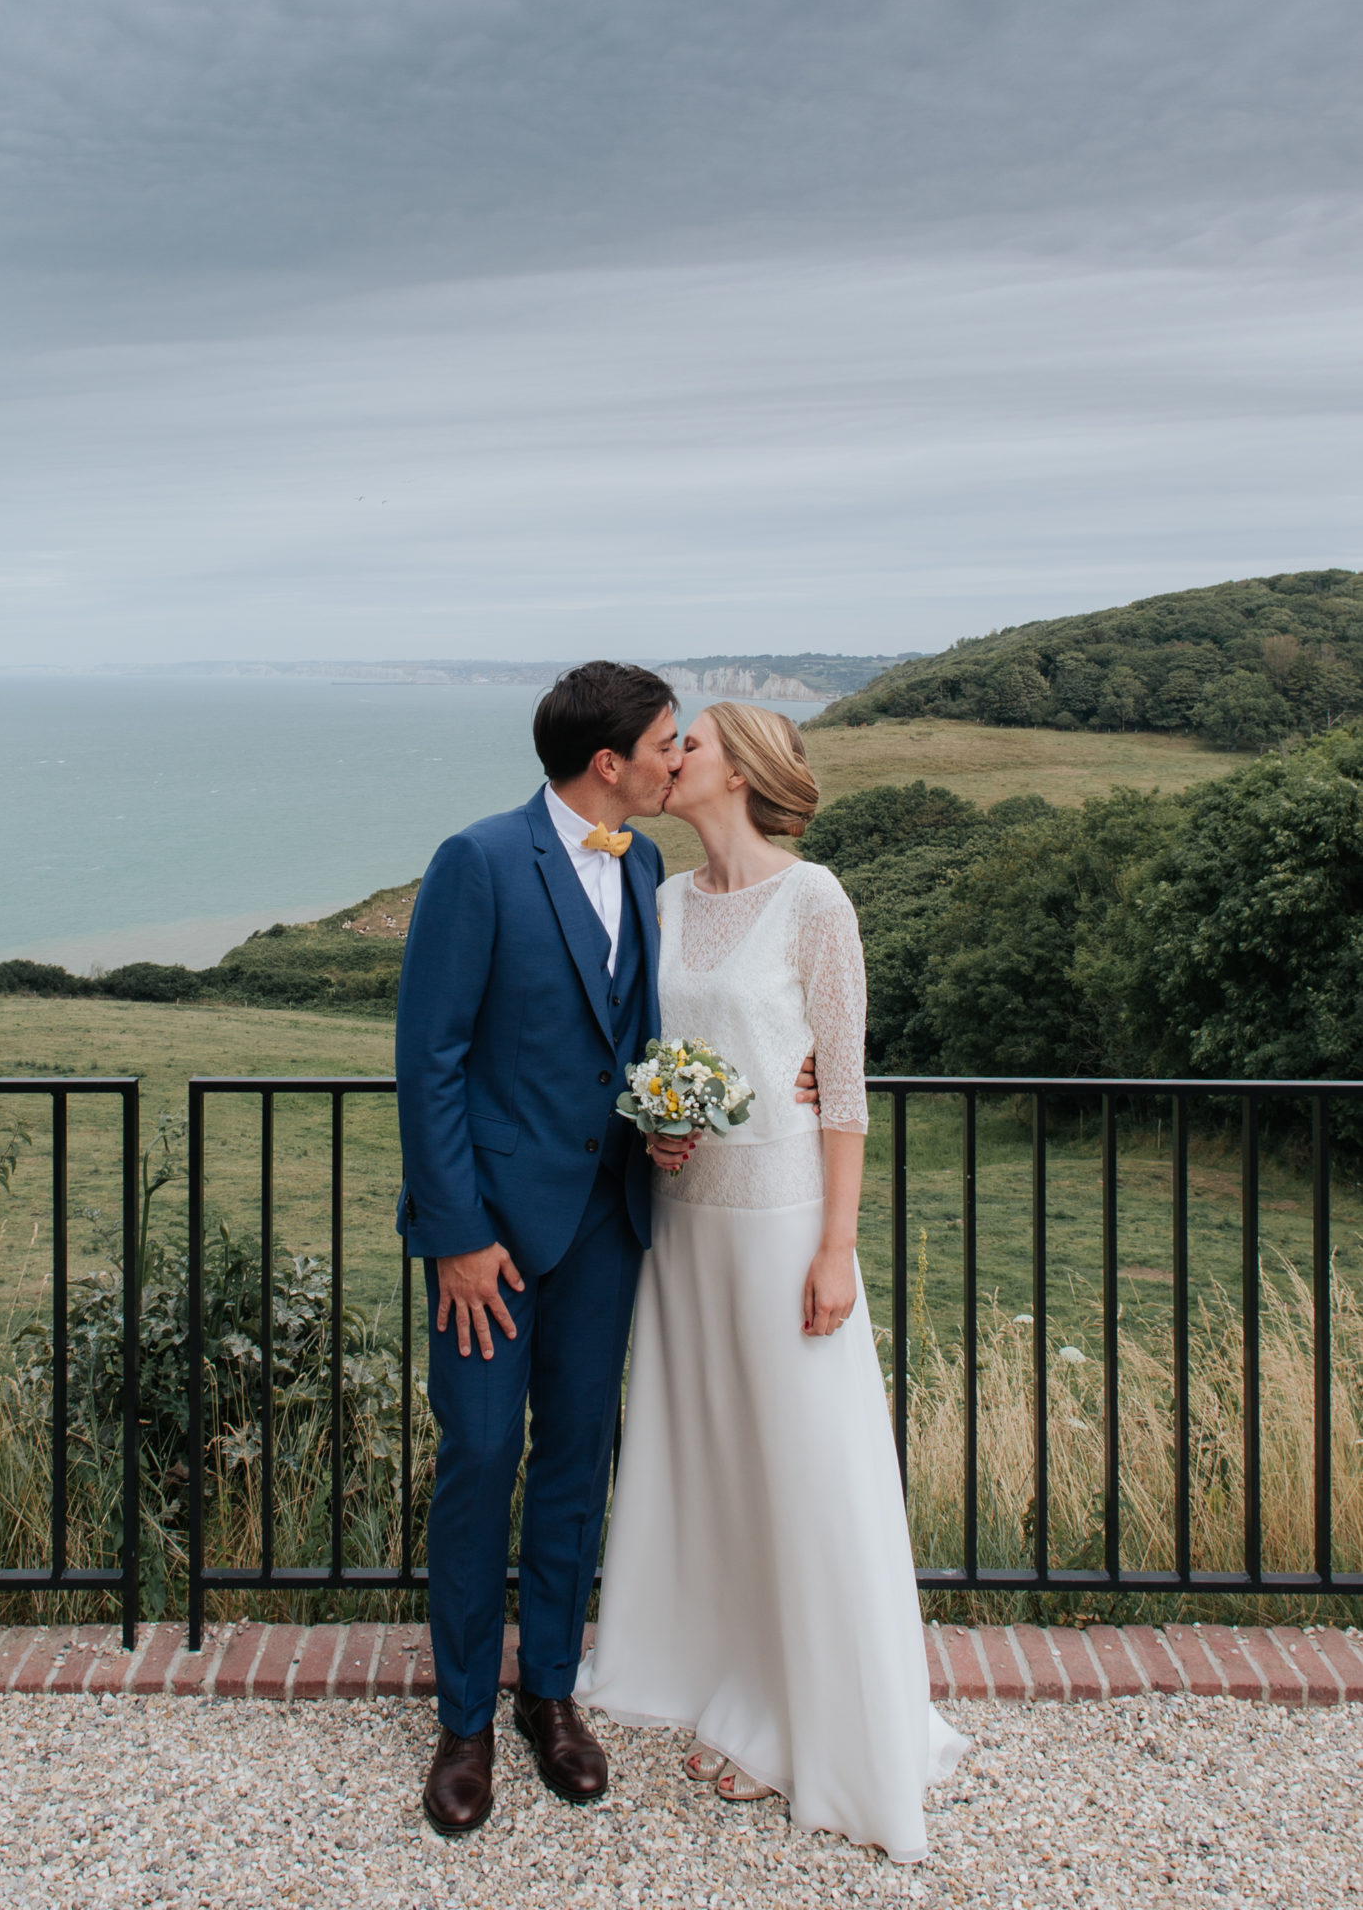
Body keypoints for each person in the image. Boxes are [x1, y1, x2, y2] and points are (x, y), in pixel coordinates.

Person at [394, 662, 817, 1836]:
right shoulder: (476, 860)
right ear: (610, 763)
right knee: (480, 1457)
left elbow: (656, 1027)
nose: (677, 757)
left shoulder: (646, 868)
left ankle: (552, 1698)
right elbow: (427, 1059)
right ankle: (465, 1718)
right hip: (488, 1241)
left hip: (608, 1225)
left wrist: (718, 1098)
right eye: (667, 741)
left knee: (579, 1460)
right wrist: (458, 1236)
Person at [575, 702, 968, 1864]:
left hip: (787, 1219)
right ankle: (728, 1672)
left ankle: (811, 1718)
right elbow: (658, 1056)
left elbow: (840, 1089)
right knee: (715, 1451)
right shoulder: (665, 900)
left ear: (738, 768)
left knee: (803, 1457)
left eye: (687, 740)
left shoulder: (817, 900)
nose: (670, 755)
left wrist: (837, 1245)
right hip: (688, 1222)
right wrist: (660, 1131)